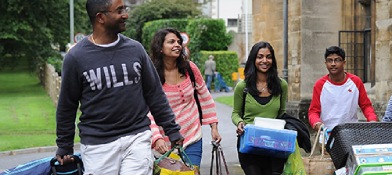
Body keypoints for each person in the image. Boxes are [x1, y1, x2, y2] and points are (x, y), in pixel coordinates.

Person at [55, 0, 184, 174]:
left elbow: (154, 93)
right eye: (119, 10)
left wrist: (172, 130)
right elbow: (67, 105)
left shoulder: (135, 49)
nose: (125, 15)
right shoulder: (76, 57)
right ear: (100, 17)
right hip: (98, 146)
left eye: (125, 9)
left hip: (137, 137)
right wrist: (64, 145)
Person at [148, 28, 222, 168]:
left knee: (192, 171)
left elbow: (205, 97)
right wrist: (156, 138)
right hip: (164, 143)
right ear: (160, 48)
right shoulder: (151, 75)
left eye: (178, 42)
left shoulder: (190, 69)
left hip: (193, 136)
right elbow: (147, 111)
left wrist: (214, 127)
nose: (177, 44)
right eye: (171, 42)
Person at [231, 41, 288, 175]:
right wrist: (239, 122)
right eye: (260, 56)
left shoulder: (281, 85)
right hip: (250, 143)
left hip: (274, 145)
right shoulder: (242, 87)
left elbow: (282, 113)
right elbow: (236, 113)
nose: (264, 60)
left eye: (268, 57)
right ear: (253, 59)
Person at [308, 46, 377, 132]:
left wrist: (372, 120)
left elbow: (366, 106)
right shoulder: (319, 85)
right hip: (327, 135)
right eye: (330, 60)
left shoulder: (356, 82)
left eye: (337, 60)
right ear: (325, 63)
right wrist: (317, 123)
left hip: (351, 134)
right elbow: (313, 111)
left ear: (344, 63)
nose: (333, 64)